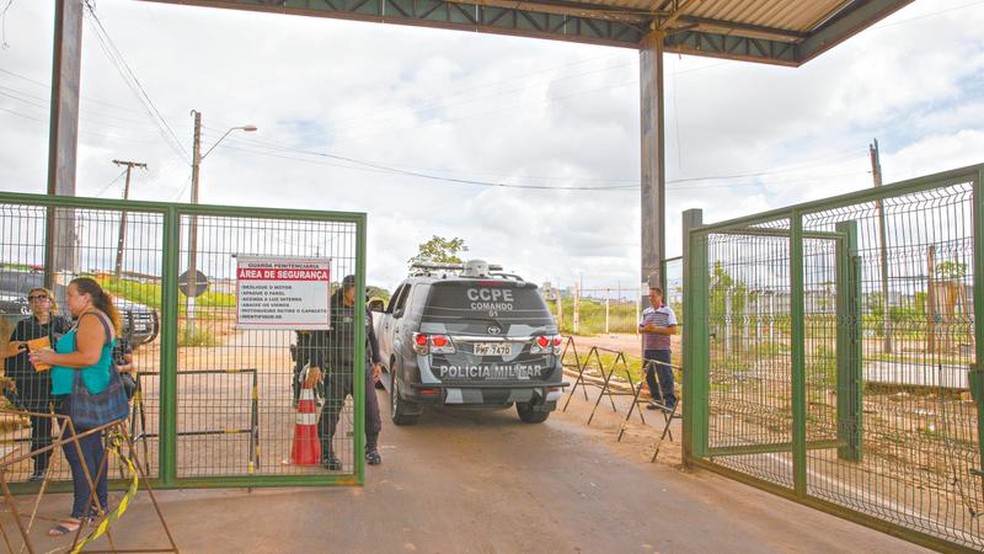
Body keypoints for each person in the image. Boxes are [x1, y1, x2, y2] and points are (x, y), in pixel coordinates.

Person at [30, 277, 120, 536]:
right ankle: (98, 504)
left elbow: (89, 357)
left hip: (80, 397)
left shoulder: (92, 319)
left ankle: (81, 512)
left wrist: (51, 356)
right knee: (90, 452)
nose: (66, 300)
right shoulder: (87, 319)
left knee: (79, 454)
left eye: (70, 295)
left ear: (86, 297)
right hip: (79, 396)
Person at [306, 274, 384, 469]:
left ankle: (371, 448)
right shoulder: (331, 311)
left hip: (362, 371)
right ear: (347, 289)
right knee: (331, 413)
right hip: (337, 371)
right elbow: (317, 339)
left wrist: (376, 361)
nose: (360, 295)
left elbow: (372, 338)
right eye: (357, 290)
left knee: (371, 412)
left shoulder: (365, 312)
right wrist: (316, 365)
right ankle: (327, 454)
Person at [3, 287, 72, 481]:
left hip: (59, 379)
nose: (37, 301)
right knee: (40, 425)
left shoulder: (62, 323)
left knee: (66, 423)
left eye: (42, 297)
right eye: (32, 298)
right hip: (33, 381)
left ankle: (76, 466)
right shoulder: (24, 326)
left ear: (51, 302)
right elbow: (11, 354)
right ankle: (40, 468)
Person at [639, 285, 678, 412]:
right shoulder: (646, 312)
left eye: (653, 296)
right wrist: (646, 329)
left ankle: (669, 402)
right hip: (649, 348)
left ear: (660, 296)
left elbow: (673, 330)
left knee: (665, 375)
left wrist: (657, 329)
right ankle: (656, 398)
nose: (651, 298)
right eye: (649, 296)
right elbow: (640, 328)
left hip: (662, 349)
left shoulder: (668, 312)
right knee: (648, 374)